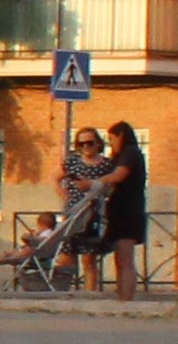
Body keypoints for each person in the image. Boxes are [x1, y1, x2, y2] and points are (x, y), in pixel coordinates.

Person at [96, 119, 149, 301]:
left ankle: (127, 298)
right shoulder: (120, 156)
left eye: (112, 139)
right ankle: (121, 295)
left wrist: (94, 183)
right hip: (118, 211)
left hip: (129, 211)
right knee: (119, 257)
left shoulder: (130, 153)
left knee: (126, 257)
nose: (111, 143)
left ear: (121, 136)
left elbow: (119, 175)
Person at [60, 127, 113, 290]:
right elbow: (55, 177)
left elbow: (111, 187)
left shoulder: (106, 165)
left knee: (88, 259)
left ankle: (89, 295)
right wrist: (65, 197)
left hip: (93, 214)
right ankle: (64, 293)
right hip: (73, 212)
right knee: (66, 256)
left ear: (97, 143)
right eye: (81, 144)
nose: (86, 147)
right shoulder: (72, 162)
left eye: (89, 143)